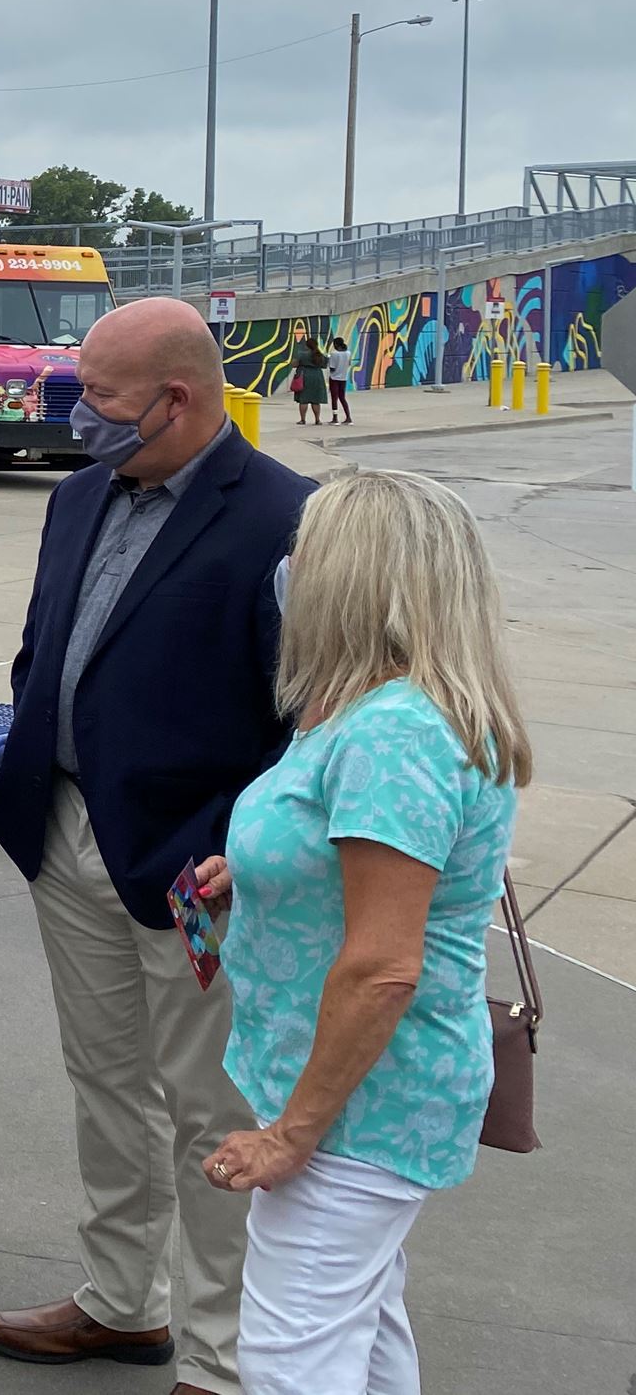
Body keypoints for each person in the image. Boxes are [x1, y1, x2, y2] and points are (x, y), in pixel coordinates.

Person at [0, 296, 314, 1395]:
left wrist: (238, 843)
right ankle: (123, 1304)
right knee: (103, 1081)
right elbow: (44, 646)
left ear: (175, 402)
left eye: (102, 403)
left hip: (195, 865)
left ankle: (222, 1361)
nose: (80, 421)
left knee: (210, 1109)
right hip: (64, 828)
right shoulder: (78, 495)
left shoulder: (283, 519)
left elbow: (308, 718)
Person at [196, 470, 527, 1395]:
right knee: (364, 1332)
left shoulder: (396, 733)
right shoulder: (370, 710)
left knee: (289, 1358)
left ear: (352, 579)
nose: (288, 568)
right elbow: (352, 867)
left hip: (356, 1111)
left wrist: (292, 1137)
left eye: (309, 552)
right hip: (356, 1097)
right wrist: (258, 876)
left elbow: (384, 965)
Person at [290, 328, 327, 426]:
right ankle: (317, 420)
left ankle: (303, 419)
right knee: (316, 400)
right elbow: (324, 365)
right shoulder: (320, 355)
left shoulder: (302, 354)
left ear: (307, 346)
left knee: (304, 399)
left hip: (305, 376)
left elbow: (294, 364)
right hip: (317, 376)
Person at [326, 331, 354, 425]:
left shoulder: (334, 354)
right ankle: (348, 417)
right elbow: (349, 364)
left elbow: (332, 368)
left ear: (336, 345)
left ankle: (335, 418)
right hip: (343, 378)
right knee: (343, 398)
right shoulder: (348, 353)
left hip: (334, 378)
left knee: (334, 398)